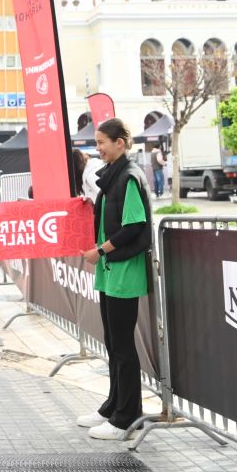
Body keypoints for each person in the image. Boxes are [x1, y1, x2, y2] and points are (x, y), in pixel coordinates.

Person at [77, 117, 152, 442]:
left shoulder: (129, 177)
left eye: (101, 142)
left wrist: (101, 250)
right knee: (113, 343)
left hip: (123, 270)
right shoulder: (114, 175)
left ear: (119, 143)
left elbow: (134, 226)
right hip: (112, 271)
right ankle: (113, 407)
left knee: (122, 346)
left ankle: (126, 418)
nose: (98, 149)